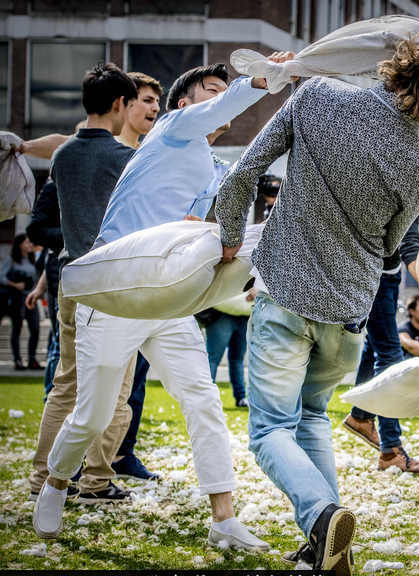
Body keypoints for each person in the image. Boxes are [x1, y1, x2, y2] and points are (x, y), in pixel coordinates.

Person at [214, 30, 419, 576]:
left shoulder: (317, 96)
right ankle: (323, 544)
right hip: (350, 311)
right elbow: (390, 247)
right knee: (309, 418)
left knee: (269, 429)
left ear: (392, 63)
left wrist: (230, 238)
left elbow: (242, 174)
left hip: (285, 294)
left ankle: (323, 517)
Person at [34, 57, 293, 548]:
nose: (223, 104)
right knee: (91, 413)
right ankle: (56, 482)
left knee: (203, 398)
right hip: (115, 291)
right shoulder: (173, 129)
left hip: (167, 300)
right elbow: (228, 101)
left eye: (225, 94)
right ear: (183, 105)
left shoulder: (215, 168)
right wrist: (261, 80)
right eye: (213, 93)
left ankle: (224, 520)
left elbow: (200, 223)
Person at [28, 65, 140, 513]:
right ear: (119, 105)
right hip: (114, 281)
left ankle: (42, 476)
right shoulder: (124, 158)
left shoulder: (64, 156)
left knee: (66, 384)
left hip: (71, 277)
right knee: (116, 387)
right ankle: (96, 478)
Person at [342, 127, 419, 473]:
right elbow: (406, 237)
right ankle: (391, 450)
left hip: (387, 273)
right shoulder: (409, 177)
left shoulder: (417, 182)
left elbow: (407, 238)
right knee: (390, 355)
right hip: (375, 274)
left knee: (376, 350)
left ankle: (361, 416)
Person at [109, 72, 163, 482]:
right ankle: (74, 466)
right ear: (123, 105)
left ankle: (123, 452)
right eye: (145, 100)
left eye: (155, 102)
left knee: (137, 377)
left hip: (146, 279)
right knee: (93, 381)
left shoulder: (152, 158)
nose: (152, 109)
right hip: (103, 280)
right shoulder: (100, 156)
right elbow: (43, 225)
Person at [26, 179, 65, 396]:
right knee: (59, 346)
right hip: (58, 276)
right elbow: (36, 230)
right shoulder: (55, 186)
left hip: (84, 272)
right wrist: (73, 233)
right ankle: (52, 399)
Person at [2, 234, 41, 370]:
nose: (29, 244)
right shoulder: (12, 260)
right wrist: (15, 284)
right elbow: (2, 277)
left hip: (31, 298)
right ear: (19, 244)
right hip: (17, 298)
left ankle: (32, 359)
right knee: (17, 329)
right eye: (26, 242)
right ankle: (17, 360)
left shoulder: (33, 260)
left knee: (35, 329)